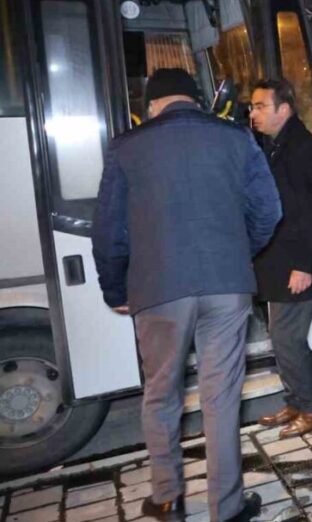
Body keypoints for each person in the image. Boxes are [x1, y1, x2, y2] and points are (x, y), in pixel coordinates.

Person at [92, 68, 280, 522]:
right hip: (227, 285)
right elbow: (269, 211)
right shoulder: (236, 138)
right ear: (196, 100)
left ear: (153, 104)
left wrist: (115, 288)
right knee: (221, 398)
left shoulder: (126, 147)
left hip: (158, 289)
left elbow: (109, 231)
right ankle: (228, 508)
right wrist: (236, 254)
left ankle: (167, 498)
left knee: (161, 395)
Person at [250, 79, 312, 439]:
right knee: (281, 336)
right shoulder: (274, 145)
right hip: (279, 262)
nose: (253, 112)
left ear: (283, 109)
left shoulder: (304, 148)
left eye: (260, 106)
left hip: (301, 264)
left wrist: (303, 265)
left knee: (286, 337)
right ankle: (296, 400)